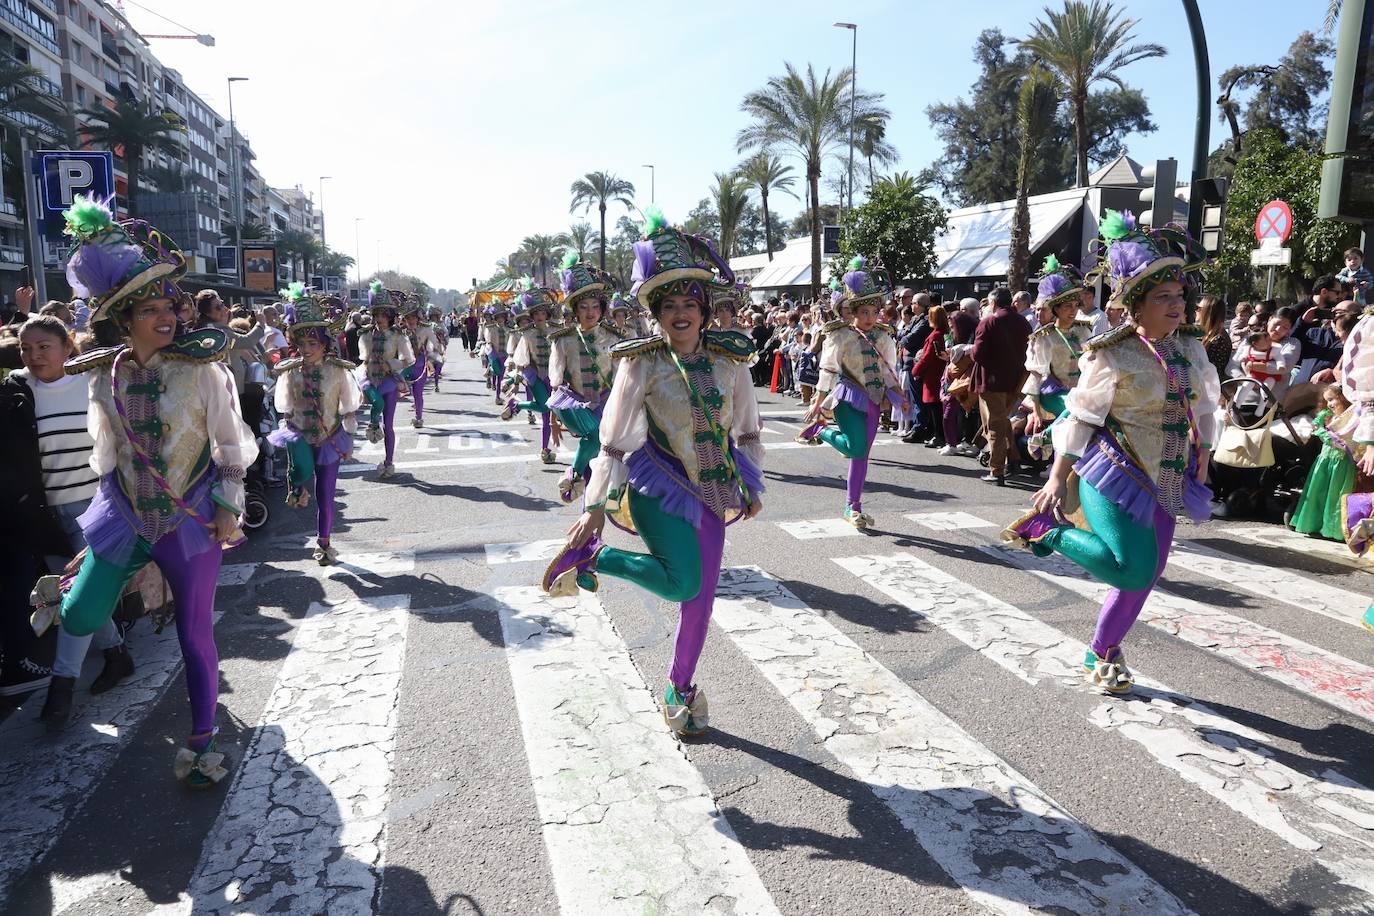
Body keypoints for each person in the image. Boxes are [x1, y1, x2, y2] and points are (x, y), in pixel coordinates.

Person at [29, 195, 257, 786]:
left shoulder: (204, 370)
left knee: (194, 634)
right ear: (122, 318)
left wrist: (229, 507)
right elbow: (107, 452)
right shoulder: (104, 376)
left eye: (169, 307)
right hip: (126, 514)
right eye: (149, 309)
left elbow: (232, 442)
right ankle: (120, 588)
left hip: (191, 517)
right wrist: (101, 523)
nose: (166, 318)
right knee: (77, 614)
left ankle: (202, 741)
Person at [541, 207, 763, 736]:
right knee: (684, 583)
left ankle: (678, 688)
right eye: (670, 305)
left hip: (715, 488)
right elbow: (613, 441)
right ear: (656, 314)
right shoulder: (640, 362)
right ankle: (600, 556)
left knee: (702, 601)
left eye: (690, 303)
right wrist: (594, 511)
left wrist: (752, 483)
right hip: (657, 487)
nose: (681, 313)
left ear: (705, 309)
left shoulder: (731, 361)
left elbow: (748, 430)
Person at [1003, 211, 1220, 694]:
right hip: (1114, 470)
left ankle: (1101, 650)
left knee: (1147, 573)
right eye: (1162, 297)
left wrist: (1203, 455)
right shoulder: (1111, 351)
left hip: (1168, 475)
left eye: (1180, 295)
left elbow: (1205, 404)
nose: (1176, 305)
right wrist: (1058, 478)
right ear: (1135, 306)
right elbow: (1082, 415)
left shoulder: (1191, 348)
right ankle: (1048, 532)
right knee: (1135, 566)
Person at [801, 256, 908, 529]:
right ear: (854, 312)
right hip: (847, 397)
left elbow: (888, 373)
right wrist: (818, 402)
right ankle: (822, 431)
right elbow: (827, 368)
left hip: (873, 399)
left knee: (861, 455)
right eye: (864, 313)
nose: (870, 318)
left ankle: (853, 506)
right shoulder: (841, 335)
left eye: (874, 312)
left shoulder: (884, 337)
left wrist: (899, 396)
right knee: (856, 447)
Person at [268, 286, 359, 565]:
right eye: (302, 344)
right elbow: (283, 405)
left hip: (329, 438)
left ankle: (324, 542)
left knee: (326, 496)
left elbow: (349, 402)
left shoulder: (338, 370)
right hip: (299, 434)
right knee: (301, 471)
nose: (306, 349)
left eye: (313, 344)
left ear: (324, 344)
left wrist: (349, 420)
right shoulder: (289, 371)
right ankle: (295, 486)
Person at [547, 256, 620, 503]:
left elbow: (623, 377)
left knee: (598, 460)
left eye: (595, 306)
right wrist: (554, 421)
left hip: (607, 403)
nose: (590, 312)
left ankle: (576, 477)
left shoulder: (613, 338)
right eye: (584, 307)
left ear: (602, 308)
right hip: (577, 405)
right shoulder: (563, 340)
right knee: (594, 440)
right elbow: (556, 382)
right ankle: (576, 475)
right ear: (575, 310)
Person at [1022, 257, 1094, 440]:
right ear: (1056, 309)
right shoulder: (1044, 337)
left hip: (1080, 393)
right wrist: (1036, 411)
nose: (1073, 310)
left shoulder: (1084, 330)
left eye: (1076, 305)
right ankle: (1044, 438)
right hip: (1054, 394)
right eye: (1067, 306)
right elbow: (1036, 375)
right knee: (1077, 410)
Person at [971, 286, 1031, 484]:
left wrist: (970, 352)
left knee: (994, 424)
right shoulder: (1023, 322)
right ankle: (1013, 459)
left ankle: (996, 470)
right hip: (1015, 381)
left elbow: (977, 354)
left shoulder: (989, 322)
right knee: (1003, 420)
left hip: (991, 381)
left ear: (993, 303)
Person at [356, 281, 414, 479]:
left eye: (383, 315)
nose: (379, 318)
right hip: (369, 377)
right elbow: (363, 357)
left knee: (388, 425)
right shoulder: (365, 334)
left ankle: (389, 462)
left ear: (390, 317)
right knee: (376, 402)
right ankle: (373, 424)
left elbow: (407, 360)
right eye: (376, 315)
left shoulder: (398, 336)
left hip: (389, 380)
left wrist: (390, 364)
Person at [1290, 384, 1359, 541]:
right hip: (1324, 460)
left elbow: (1342, 440)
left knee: (1334, 497)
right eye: (1327, 400)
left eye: (1332, 399)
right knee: (1318, 494)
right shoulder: (1330, 417)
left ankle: (1332, 530)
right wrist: (1320, 422)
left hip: (1340, 463)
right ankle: (1314, 524)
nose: (1330, 404)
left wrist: (1322, 431)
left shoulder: (1351, 417)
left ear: (1343, 397)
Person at [501, 277, 559, 464]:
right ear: (532, 317)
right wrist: (516, 382)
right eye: (535, 313)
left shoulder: (558, 332)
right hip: (536, 376)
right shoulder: (527, 334)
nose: (539, 316)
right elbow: (521, 359)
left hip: (555, 378)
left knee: (548, 414)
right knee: (545, 407)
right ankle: (518, 405)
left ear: (547, 314)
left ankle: (545, 449)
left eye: (542, 312)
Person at [912, 305, 950, 448]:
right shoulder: (945, 332)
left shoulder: (935, 335)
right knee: (938, 407)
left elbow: (926, 357)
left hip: (932, 374)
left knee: (934, 407)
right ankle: (938, 434)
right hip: (940, 371)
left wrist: (915, 370)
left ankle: (938, 435)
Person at [399, 293, 439, 428]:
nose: (411, 320)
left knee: (418, 393)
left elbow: (435, 344)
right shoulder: (399, 331)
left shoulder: (426, 329)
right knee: (393, 389)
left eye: (413, 317)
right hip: (403, 365)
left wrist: (433, 352)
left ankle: (418, 417)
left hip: (420, 365)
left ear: (418, 317)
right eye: (408, 317)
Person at [1196, 295, 1232, 380]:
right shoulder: (1211, 335)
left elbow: (1211, 372)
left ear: (1206, 312)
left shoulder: (1219, 340)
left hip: (1212, 388)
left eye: (1198, 308)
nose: (1195, 311)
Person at [429, 307, 448, 392]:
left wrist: (444, 341)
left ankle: (436, 384)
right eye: (432, 316)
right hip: (430, 348)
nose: (433, 318)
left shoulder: (441, 325)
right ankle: (434, 381)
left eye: (435, 316)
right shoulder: (427, 325)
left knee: (439, 366)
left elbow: (445, 334)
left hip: (439, 347)